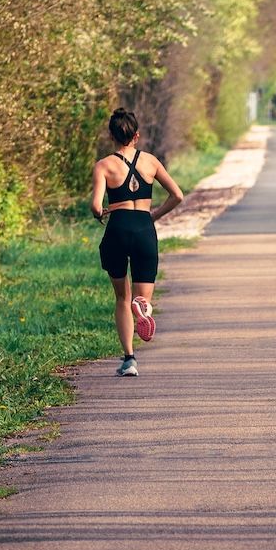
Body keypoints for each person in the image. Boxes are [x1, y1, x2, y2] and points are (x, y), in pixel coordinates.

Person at [91, 108, 185, 376]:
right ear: (136, 135)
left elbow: (96, 206)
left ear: (111, 135)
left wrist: (100, 212)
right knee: (142, 297)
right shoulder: (151, 162)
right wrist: (154, 215)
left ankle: (129, 359)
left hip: (118, 229)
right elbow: (177, 195)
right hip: (144, 228)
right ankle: (143, 307)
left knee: (122, 297)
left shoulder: (104, 166)